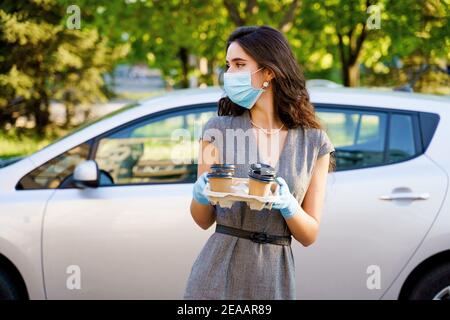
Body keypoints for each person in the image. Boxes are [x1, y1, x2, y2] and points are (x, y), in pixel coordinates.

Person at [184, 25, 336, 300]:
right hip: (216, 274)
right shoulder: (217, 130)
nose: (229, 75)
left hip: (274, 276)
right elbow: (202, 220)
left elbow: (309, 234)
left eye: (239, 64)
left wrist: (289, 205)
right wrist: (201, 194)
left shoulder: (315, 142)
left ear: (269, 72)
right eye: (227, 65)